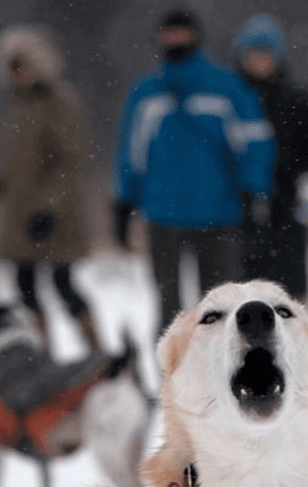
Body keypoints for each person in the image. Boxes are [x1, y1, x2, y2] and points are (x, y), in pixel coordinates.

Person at [113, 9, 276, 335]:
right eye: (168, 34)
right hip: (163, 216)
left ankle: (222, 382)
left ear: (197, 37)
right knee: (170, 315)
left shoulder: (226, 86)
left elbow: (256, 140)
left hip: (220, 215)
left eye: (181, 33)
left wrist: (253, 191)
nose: (175, 40)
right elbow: (130, 153)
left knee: (223, 312)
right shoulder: (145, 93)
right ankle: (170, 383)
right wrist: (122, 201)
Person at [0, 25, 100, 350]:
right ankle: (41, 357)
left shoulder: (60, 105)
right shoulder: (20, 110)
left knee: (63, 285)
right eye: (12, 67)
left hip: (56, 218)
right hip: (21, 219)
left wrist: (49, 209)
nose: (19, 74)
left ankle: (98, 357)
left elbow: (69, 164)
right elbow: (12, 172)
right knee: (25, 288)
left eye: (24, 65)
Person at [233, 15, 308, 302]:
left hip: (287, 206)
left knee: (291, 293)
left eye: (266, 54)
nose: (260, 61)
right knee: (242, 290)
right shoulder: (230, 97)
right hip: (238, 209)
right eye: (254, 53)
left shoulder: (297, 100)